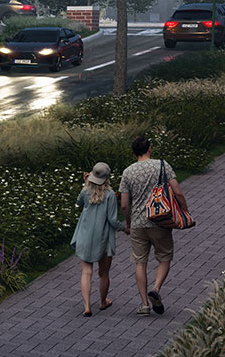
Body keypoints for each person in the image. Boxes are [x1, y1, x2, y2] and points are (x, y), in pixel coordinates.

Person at [119, 133, 187, 315]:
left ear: (134, 153)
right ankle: (155, 289)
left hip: (138, 224)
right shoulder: (162, 166)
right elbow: (178, 192)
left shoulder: (128, 172)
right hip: (160, 220)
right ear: (149, 149)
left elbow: (124, 204)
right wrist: (185, 212)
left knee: (140, 262)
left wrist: (129, 223)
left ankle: (144, 305)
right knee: (164, 257)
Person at [73, 162, 124, 316]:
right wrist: (124, 229)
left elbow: (78, 203)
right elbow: (112, 220)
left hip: (85, 236)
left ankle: (87, 306)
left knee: (86, 272)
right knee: (103, 273)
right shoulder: (110, 195)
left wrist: (86, 183)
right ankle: (102, 302)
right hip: (104, 238)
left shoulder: (85, 191)